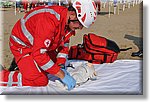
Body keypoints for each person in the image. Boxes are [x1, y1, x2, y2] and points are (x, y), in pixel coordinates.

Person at [0, 0, 97, 91]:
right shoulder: (49, 21)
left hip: (38, 45)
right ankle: (4, 75)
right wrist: (62, 75)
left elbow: (64, 45)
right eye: (80, 24)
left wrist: (60, 64)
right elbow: (39, 55)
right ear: (72, 15)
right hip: (22, 46)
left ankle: (28, 68)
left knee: (52, 67)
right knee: (40, 80)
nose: (80, 28)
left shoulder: (66, 22)